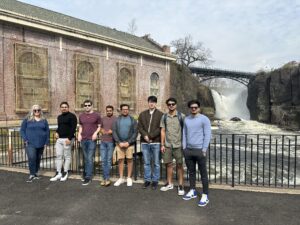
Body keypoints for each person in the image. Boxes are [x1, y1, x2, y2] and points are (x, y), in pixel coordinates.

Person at [182, 100, 211, 207]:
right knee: (191, 172)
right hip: (188, 150)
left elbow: (207, 134)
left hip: (200, 151)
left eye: (195, 107)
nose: (193, 109)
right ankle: (193, 190)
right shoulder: (186, 119)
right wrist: (184, 147)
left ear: (199, 108)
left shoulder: (204, 119)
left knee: (203, 174)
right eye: (192, 107)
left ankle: (205, 194)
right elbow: (184, 134)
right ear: (189, 108)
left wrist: (204, 149)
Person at [160, 97, 185, 195]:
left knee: (179, 165)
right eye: (169, 104)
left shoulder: (181, 116)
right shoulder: (164, 116)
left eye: (173, 104)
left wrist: (185, 144)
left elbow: (185, 131)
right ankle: (169, 183)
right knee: (168, 164)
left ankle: (180, 185)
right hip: (167, 145)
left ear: (176, 105)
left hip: (178, 145)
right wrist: (162, 144)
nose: (171, 106)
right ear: (167, 105)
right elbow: (162, 130)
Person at [138, 96, 163, 190]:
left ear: (156, 103)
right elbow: (139, 127)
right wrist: (145, 136)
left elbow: (160, 128)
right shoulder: (142, 114)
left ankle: (155, 181)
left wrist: (150, 136)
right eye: (150, 102)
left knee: (156, 163)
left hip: (156, 142)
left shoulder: (161, 114)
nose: (151, 103)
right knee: (146, 163)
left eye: (153, 102)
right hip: (145, 142)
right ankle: (147, 180)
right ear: (148, 103)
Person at [20, 105, 49, 182]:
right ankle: (32, 174)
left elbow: (47, 132)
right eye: (35, 110)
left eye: (38, 110)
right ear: (32, 111)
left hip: (41, 143)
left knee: (38, 158)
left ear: (40, 111)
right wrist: (25, 139)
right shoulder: (27, 120)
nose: (37, 112)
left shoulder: (44, 120)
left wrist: (46, 142)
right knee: (32, 158)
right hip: (30, 143)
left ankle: (35, 173)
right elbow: (22, 130)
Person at [50, 102, 77, 182]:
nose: (64, 108)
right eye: (62, 107)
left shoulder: (72, 116)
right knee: (58, 156)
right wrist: (56, 132)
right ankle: (58, 172)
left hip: (67, 139)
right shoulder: (59, 117)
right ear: (60, 108)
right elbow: (60, 127)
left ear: (68, 108)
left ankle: (65, 172)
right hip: (59, 139)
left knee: (67, 156)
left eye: (65, 107)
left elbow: (73, 128)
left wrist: (69, 138)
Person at [112, 104, 138, 187]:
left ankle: (129, 177)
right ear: (120, 110)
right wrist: (119, 142)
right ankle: (121, 178)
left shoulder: (132, 120)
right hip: (119, 144)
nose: (125, 110)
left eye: (126, 109)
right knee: (120, 160)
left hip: (129, 144)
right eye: (123, 109)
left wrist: (129, 142)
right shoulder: (116, 120)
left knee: (130, 160)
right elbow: (114, 131)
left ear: (128, 110)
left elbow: (135, 132)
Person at [78, 100, 102, 186]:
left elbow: (99, 126)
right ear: (84, 106)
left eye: (89, 105)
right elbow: (81, 126)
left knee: (89, 157)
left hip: (92, 139)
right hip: (83, 139)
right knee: (85, 157)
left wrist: (96, 133)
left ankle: (88, 177)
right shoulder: (81, 116)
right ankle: (86, 173)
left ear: (92, 106)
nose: (87, 107)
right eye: (85, 105)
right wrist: (79, 134)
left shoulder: (97, 115)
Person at [99, 105, 117, 187]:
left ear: (112, 111)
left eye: (110, 110)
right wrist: (101, 130)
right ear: (106, 111)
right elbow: (100, 128)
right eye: (107, 110)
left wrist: (112, 131)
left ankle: (107, 178)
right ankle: (104, 178)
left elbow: (117, 128)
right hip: (103, 142)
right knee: (103, 161)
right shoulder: (103, 119)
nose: (109, 112)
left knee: (109, 161)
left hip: (110, 142)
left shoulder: (116, 119)